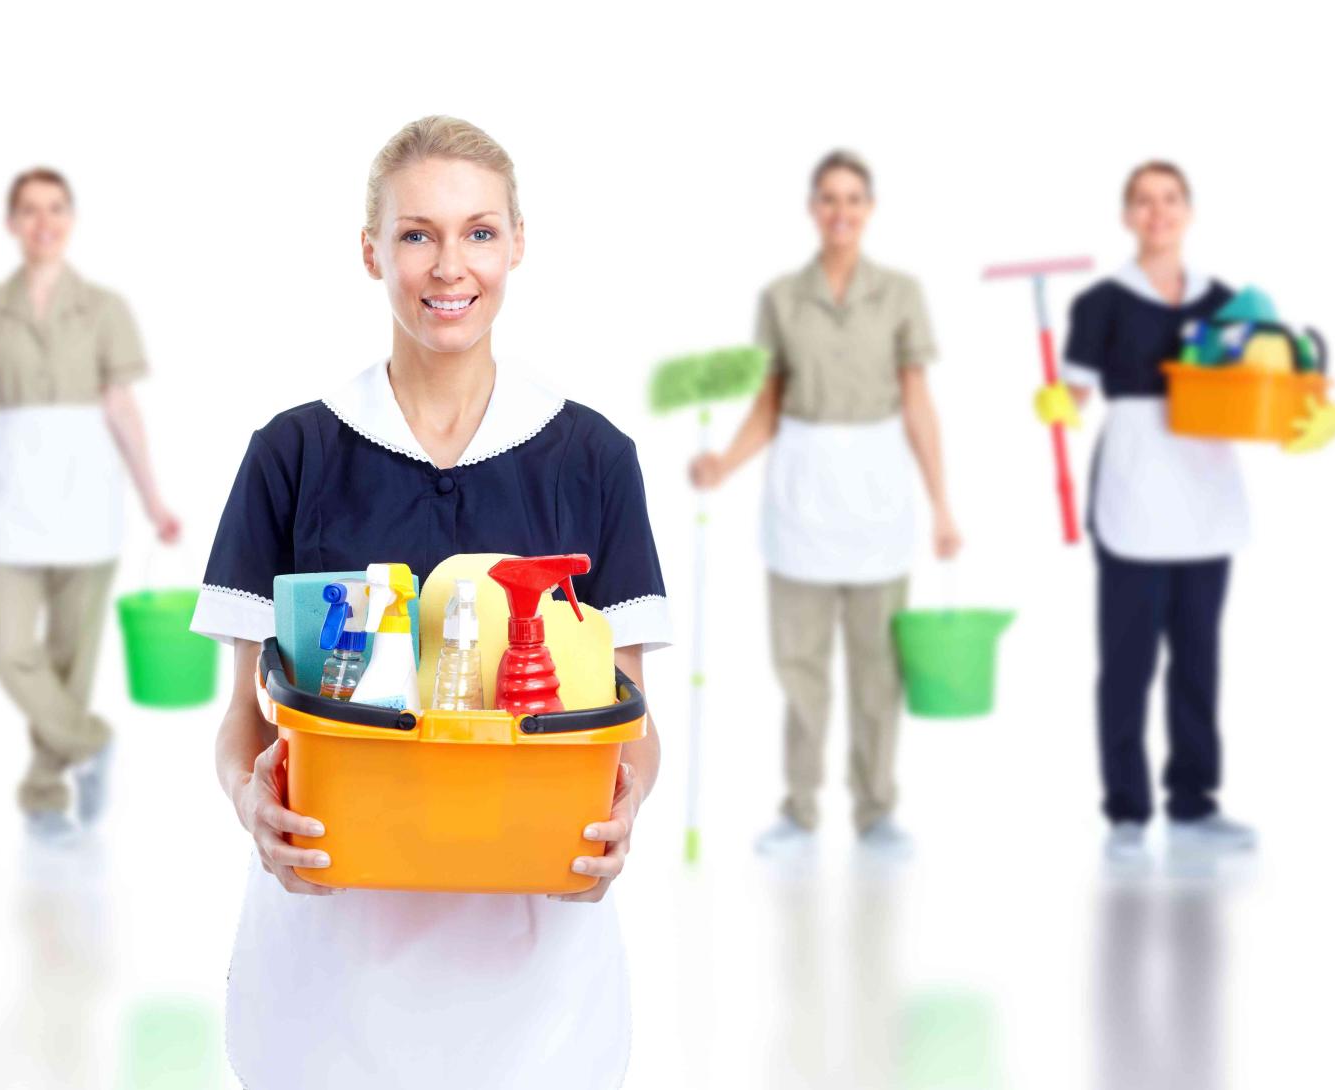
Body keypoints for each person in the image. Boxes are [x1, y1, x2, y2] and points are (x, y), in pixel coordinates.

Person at [190, 116, 671, 1089]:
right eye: (416, 234)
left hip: (536, 985)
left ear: (517, 243)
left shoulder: (592, 459)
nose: (449, 266)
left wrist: (624, 808)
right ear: (371, 251)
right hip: (329, 971)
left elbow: (628, 720)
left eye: (478, 232)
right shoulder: (293, 454)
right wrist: (251, 803)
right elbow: (245, 715)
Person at [0, 167, 179, 845]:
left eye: (55, 208)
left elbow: (121, 406)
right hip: (15, 493)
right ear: (11, 223)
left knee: (70, 660)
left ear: (71, 219)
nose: (43, 222)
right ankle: (91, 742)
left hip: (88, 492)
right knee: (4, 646)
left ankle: (45, 795)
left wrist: (153, 499)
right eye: (29, 210)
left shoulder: (103, 308)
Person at [689, 150, 959, 860]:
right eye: (829, 198)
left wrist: (942, 506)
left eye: (853, 199)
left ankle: (877, 812)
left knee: (878, 670)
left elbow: (919, 403)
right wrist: (724, 465)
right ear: (813, 208)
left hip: (877, 495)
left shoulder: (899, 293)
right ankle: (800, 812)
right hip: (802, 496)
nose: (841, 211)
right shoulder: (781, 298)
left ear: (869, 209)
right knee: (800, 666)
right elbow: (768, 405)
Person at [1033, 161, 1276, 862]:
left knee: (1198, 660)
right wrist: (1057, 403)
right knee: (1127, 663)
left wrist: (1302, 422)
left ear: (1189, 212)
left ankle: (1194, 803)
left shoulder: (1227, 302)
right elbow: (1077, 394)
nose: (1157, 211)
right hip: (1133, 496)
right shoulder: (1100, 302)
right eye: (1143, 201)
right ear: (1127, 216)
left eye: (1170, 199)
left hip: (1206, 499)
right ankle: (1127, 811)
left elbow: (1262, 385)